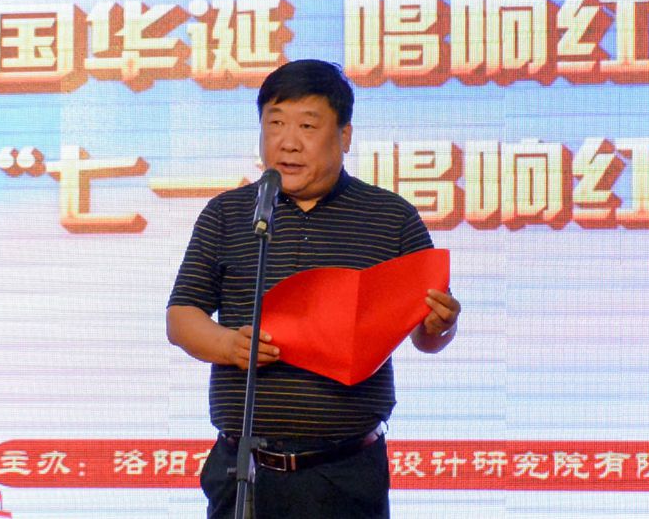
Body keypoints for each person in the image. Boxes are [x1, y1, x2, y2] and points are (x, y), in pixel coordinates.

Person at [167, 59, 461, 518]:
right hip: (243, 469)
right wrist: (227, 345)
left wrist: (440, 325)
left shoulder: (390, 218)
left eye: (307, 125)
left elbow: (427, 334)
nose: (288, 141)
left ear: (344, 135)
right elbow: (182, 316)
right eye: (275, 123)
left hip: (345, 472)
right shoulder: (228, 213)